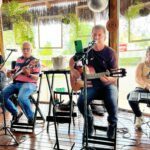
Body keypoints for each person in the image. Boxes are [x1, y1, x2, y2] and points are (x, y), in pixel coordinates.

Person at [69, 25, 118, 139]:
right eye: (94, 34)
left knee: (111, 99)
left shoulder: (110, 53)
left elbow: (115, 76)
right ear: (91, 35)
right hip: (91, 85)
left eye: (99, 34)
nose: (96, 36)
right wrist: (72, 70)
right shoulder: (86, 51)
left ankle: (112, 124)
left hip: (107, 85)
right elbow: (72, 60)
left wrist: (108, 78)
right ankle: (89, 120)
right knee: (81, 101)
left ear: (104, 36)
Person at [2, 41, 40, 124]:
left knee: (21, 97)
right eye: (24, 49)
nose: (25, 51)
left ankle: (31, 117)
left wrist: (29, 74)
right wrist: (10, 72)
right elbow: (16, 72)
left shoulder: (35, 61)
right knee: (2, 95)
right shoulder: (19, 59)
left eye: (27, 49)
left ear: (31, 50)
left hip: (29, 84)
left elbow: (36, 78)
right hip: (16, 83)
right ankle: (16, 113)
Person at [127, 46, 150, 128]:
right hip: (141, 89)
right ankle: (139, 116)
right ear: (147, 54)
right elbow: (137, 78)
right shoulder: (141, 65)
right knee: (130, 96)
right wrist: (146, 85)